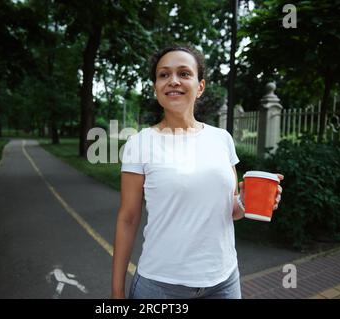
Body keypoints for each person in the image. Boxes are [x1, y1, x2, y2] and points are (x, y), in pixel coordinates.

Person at [111, 45, 283, 299]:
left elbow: (231, 210)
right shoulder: (139, 144)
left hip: (224, 282)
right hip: (160, 286)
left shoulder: (221, 139)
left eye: (184, 73)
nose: (173, 81)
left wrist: (248, 202)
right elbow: (127, 219)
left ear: (200, 86)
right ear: (155, 87)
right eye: (164, 75)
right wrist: (117, 292)